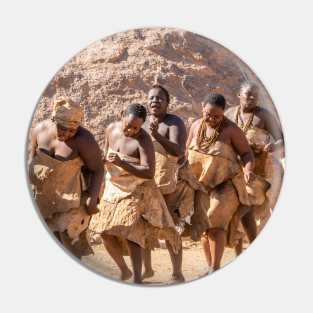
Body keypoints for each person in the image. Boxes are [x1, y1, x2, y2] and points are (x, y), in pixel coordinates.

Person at [88, 103, 180, 284]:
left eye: (136, 127)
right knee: (103, 232)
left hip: (138, 188)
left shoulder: (144, 140)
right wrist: (99, 188)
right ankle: (124, 270)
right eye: (128, 125)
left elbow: (148, 171)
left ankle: (137, 278)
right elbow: (105, 158)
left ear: (142, 125)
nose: (131, 130)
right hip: (113, 187)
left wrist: (123, 164)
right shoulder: (110, 129)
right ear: (121, 115)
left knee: (131, 232)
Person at [186, 92, 255, 271]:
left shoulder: (231, 130)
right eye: (208, 114)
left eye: (217, 116)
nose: (212, 119)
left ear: (224, 113)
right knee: (202, 224)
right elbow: (186, 152)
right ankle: (211, 267)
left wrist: (248, 170)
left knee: (213, 219)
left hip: (227, 183)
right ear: (202, 108)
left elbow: (247, 154)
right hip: (202, 184)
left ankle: (215, 268)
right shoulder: (195, 126)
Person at [28, 96, 104, 258]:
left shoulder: (84, 140)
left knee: (68, 246)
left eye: (72, 130)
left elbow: (98, 169)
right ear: (54, 119)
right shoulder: (39, 130)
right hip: (42, 200)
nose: (67, 134)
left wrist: (92, 197)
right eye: (62, 128)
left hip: (70, 201)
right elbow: (31, 159)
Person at [142, 85, 201, 282]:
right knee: (142, 226)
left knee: (171, 228)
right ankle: (147, 269)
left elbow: (178, 151)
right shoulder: (143, 122)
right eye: (151, 98)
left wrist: (157, 135)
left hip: (172, 184)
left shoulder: (174, 122)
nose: (155, 101)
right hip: (149, 182)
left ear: (167, 103)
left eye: (160, 98)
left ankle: (177, 273)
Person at [225, 82, 284, 242]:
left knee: (248, 202)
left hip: (259, 167)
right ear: (239, 95)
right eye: (248, 94)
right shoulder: (229, 114)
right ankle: (241, 244)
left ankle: (238, 225)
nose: (252, 98)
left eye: (255, 96)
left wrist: (273, 146)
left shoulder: (264, 115)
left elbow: (282, 138)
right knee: (238, 205)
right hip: (234, 167)